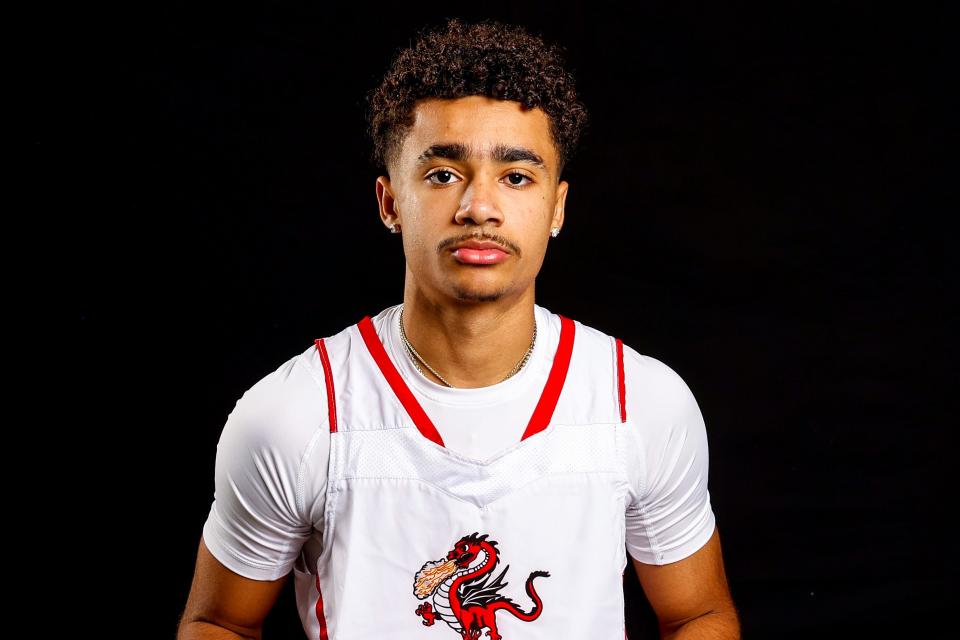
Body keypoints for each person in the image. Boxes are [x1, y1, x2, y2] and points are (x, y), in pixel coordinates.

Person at [177, 17, 740, 640]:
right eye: (443, 174)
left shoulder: (642, 402)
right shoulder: (297, 414)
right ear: (391, 202)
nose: (479, 206)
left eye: (516, 176)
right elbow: (219, 623)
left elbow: (698, 614)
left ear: (557, 207)